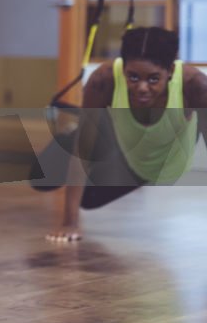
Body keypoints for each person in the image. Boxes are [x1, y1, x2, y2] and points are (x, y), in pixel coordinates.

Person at [42, 27, 207, 243]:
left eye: (153, 79)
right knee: (44, 175)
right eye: (133, 77)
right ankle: (85, 131)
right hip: (128, 152)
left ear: (171, 72)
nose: (141, 88)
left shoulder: (195, 86)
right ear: (123, 69)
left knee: (88, 199)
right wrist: (70, 223)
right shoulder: (104, 80)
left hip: (163, 165)